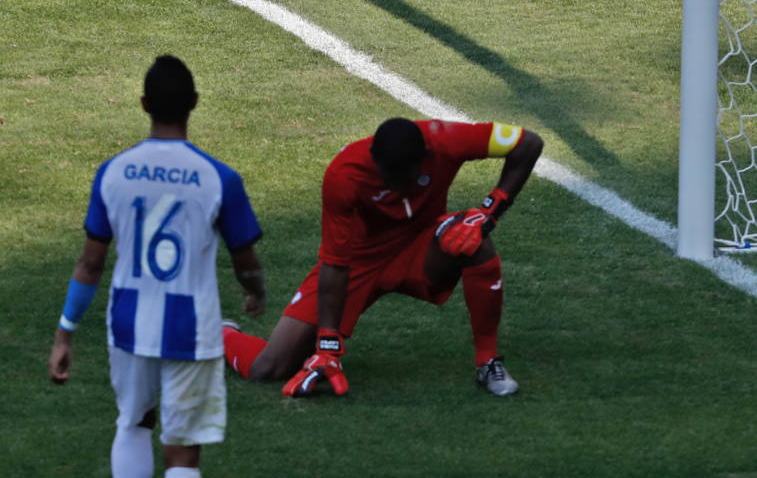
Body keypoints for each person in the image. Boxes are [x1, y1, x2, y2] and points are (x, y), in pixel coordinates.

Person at [48, 55, 266, 478]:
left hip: (129, 322)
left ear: (144, 104)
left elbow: (90, 265)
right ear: (195, 103)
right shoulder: (219, 178)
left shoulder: (112, 173)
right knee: (182, 452)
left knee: (133, 425)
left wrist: (64, 334)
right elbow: (245, 262)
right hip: (193, 328)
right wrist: (255, 290)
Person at [222, 115, 543, 398]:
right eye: (387, 176)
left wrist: (488, 213)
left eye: (405, 177)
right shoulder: (344, 174)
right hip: (359, 261)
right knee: (268, 368)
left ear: (425, 158)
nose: (395, 185)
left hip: (420, 248)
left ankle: (488, 363)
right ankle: (220, 333)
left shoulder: (446, 139)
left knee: (473, 241)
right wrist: (327, 345)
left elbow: (528, 143)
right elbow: (335, 262)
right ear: (374, 159)